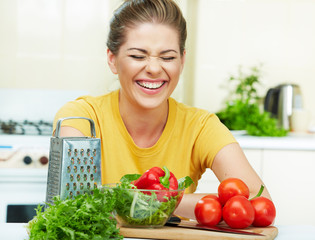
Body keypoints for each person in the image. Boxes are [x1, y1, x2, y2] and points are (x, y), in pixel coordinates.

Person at [53, 0, 271, 219]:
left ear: (182, 60)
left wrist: (155, 200)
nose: (155, 69)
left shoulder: (201, 127)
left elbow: (259, 201)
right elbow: (75, 204)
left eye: (167, 57)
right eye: (138, 56)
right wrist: (168, 201)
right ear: (112, 59)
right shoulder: (80, 118)